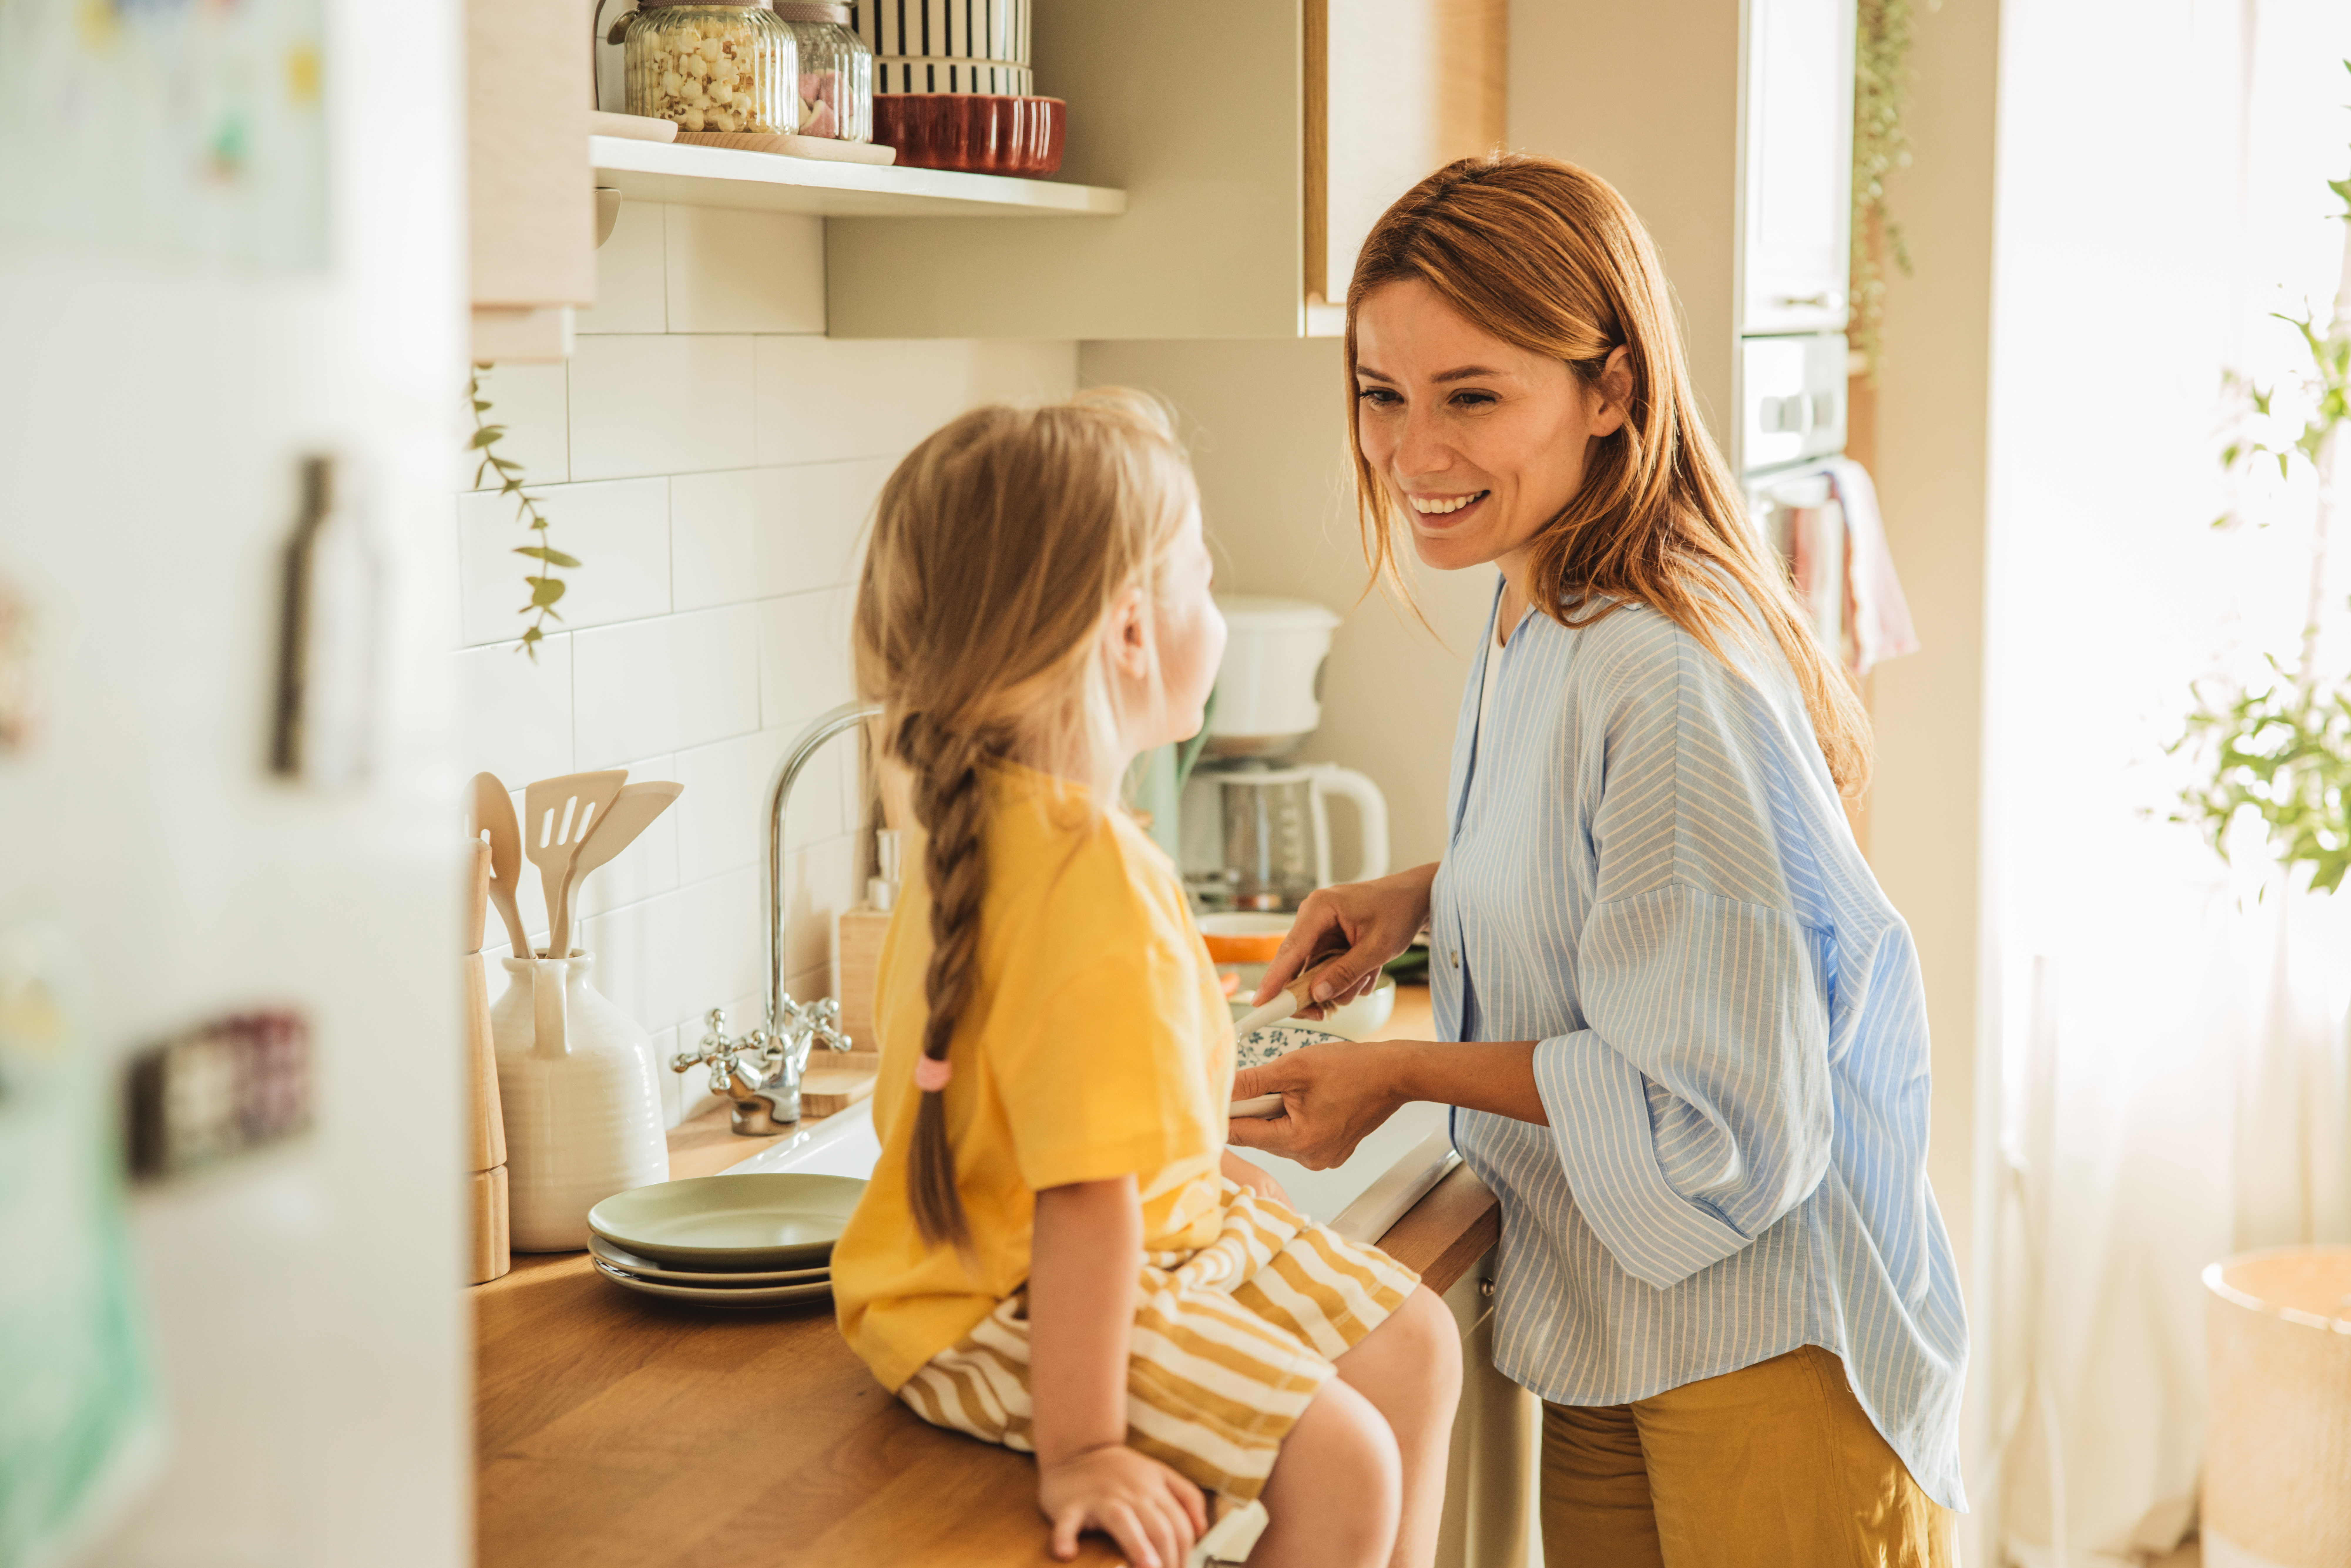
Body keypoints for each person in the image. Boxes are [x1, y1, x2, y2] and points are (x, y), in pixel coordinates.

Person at [1229, 155, 1969, 1567]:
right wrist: (1431, 894)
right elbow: (1624, 862)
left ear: (1612, 388)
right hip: (1631, 1326)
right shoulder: (1543, 603)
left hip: (1768, 1355)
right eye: (1383, 394)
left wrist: (1397, 1073)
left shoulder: (1660, 666)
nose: (1411, 453)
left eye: (1473, 396)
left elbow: (1715, 1106)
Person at [830, 391, 1463, 1568]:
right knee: (1347, 1467)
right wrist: (1084, 1449)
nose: (1217, 613)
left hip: (1105, 1242)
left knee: (1418, 1345)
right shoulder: (1089, 869)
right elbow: (1079, 1199)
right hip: (997, 1302)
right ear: (1130, 633)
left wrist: (1210, 1176)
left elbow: (1072, 1118)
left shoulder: (993, 829)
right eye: (1205, 583)